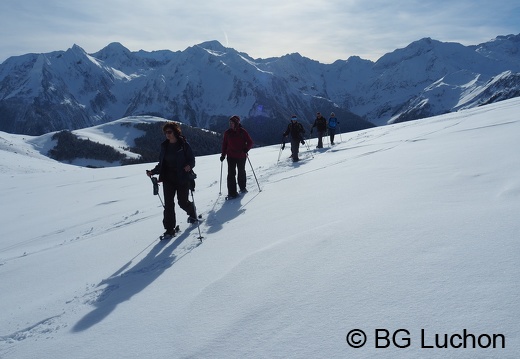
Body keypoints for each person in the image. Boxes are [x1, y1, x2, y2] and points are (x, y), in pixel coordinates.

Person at [146, 122, 198, 238]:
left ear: (175, 132)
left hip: (182, 178)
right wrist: (153, 171)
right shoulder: (164, 146)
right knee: (168, 205)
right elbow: (162, 164)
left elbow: (192, 160)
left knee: (182, 202)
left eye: (169, 132)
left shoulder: (184, 145)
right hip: (168, 179)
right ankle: (169, 229)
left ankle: (192, 212)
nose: (167, 135)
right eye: (165, 132)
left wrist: (189, 166)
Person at [220, 115, 254, 198]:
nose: (230, 124)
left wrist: (246, 149)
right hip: (231, 156)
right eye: (230, 123)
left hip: (241, 155)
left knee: (241, 171)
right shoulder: (227, 133)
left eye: (232, 123)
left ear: (236, 123)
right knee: (231, 174)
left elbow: (250, 142)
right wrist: (223, 155)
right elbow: (225, 145)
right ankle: (232, 193)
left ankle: (242, 187)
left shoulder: (242, 131)